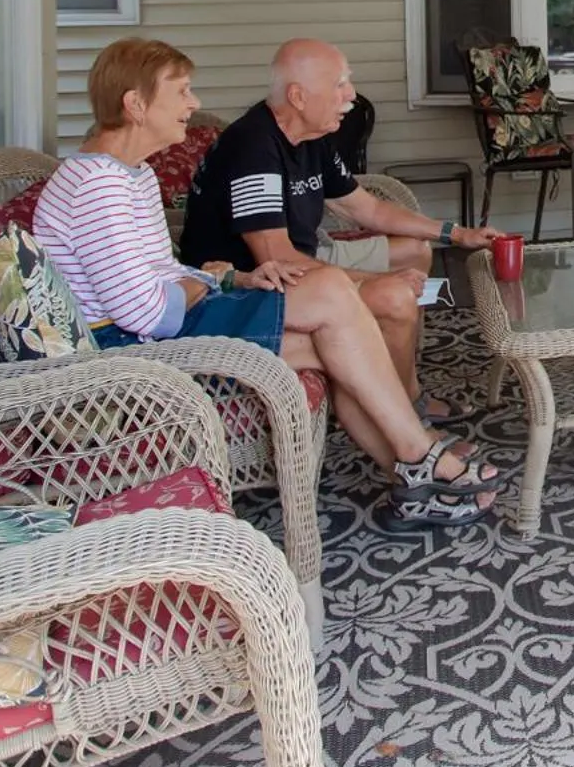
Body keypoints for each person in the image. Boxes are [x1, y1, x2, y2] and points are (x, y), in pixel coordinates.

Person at [33, 37, 501, 532]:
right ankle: (421, 451)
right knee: (331, 295)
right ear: (135, 104)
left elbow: (164, 275)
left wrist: (229, 277)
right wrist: (209, 282)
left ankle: (414, 481)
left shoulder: (132, 176)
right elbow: (149, 314)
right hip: (132, 355)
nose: (194, 104)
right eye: (182, 91)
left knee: (338, 342)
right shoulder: (95, 187)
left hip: (169, 325)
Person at [180, 38, 505, 426]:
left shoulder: (312, 137)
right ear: (298, 96)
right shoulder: (254, 148)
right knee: (396, 295)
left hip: (308, 254)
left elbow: (366, 208)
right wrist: (375, 280)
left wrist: (456, 234)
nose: (350, 96)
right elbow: (277, 259)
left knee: (415, 251)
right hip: (252, 281)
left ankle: (401, 375)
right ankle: (405, 408)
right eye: (340, 84)